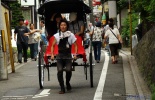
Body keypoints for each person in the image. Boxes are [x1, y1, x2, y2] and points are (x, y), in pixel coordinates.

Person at [50, 20, 77, 94]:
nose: (63, 26)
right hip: (60, 56)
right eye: (61, 25)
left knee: (68, 70)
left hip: (68, 56)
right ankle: (62, 88)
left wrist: (75, 54)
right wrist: (52, 54)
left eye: (64, 25)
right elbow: (52, 45)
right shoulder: (57, 35)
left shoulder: (71, 35)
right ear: (59, 26)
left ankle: (67, 83)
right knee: (60, 71)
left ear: (67, 26)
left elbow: (75, 45)